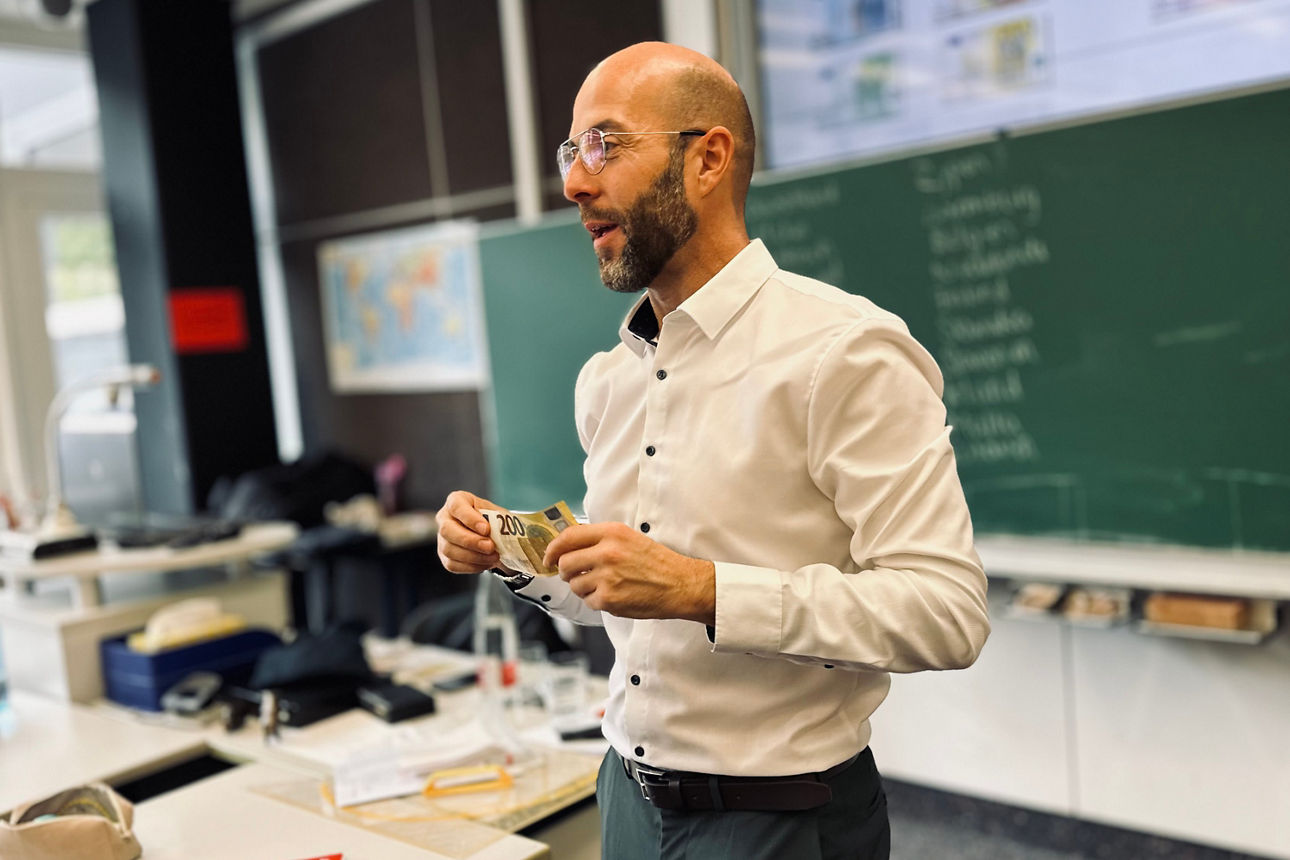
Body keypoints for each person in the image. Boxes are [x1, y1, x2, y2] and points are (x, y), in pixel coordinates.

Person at [436, 41, 990, 860]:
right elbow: (627, 599)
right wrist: (518, 554)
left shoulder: (843, 353)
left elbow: (947, 613)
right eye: (569, 151)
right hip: (625, 798)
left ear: (709, 159)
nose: (573, 182)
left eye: (604, 144)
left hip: (785, 821)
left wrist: (702, 589)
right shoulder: (609, 381)